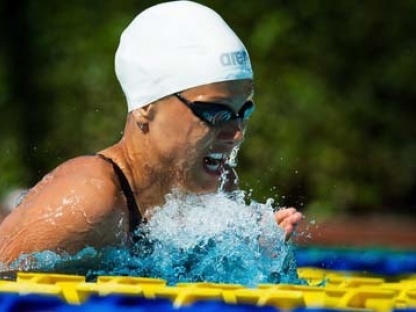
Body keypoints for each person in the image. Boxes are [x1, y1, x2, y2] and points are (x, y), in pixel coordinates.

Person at [0, 1, 302, 267]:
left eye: (243, 112)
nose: (235, 133)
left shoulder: (214, 190)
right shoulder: (90, 203)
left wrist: (259, 254)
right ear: (146, 107)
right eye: (214, 112)